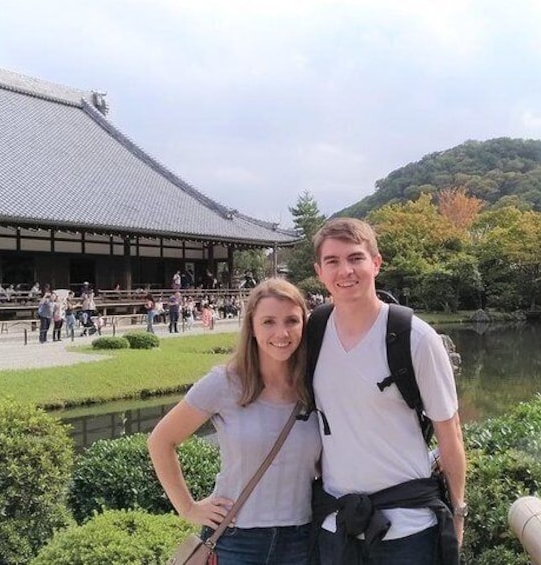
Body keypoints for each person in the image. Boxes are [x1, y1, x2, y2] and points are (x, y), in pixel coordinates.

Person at [310, 218, 466, 564]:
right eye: (332, 261)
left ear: (376, 263)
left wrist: (458, 512)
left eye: (356, 258)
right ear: (319, 271)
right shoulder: (314, 332)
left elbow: (449, 432)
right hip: (338, 525)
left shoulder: (415, 337)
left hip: (407, 530)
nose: (345, 270)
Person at [148, 278, 320, 565]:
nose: (282, 332)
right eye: (268, 322)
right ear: (251, 327)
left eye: (292, 320)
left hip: (300, 539)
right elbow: (161, 441)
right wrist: (187, 508)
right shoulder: (225, 383)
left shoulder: (314, 386)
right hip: (236, 540)